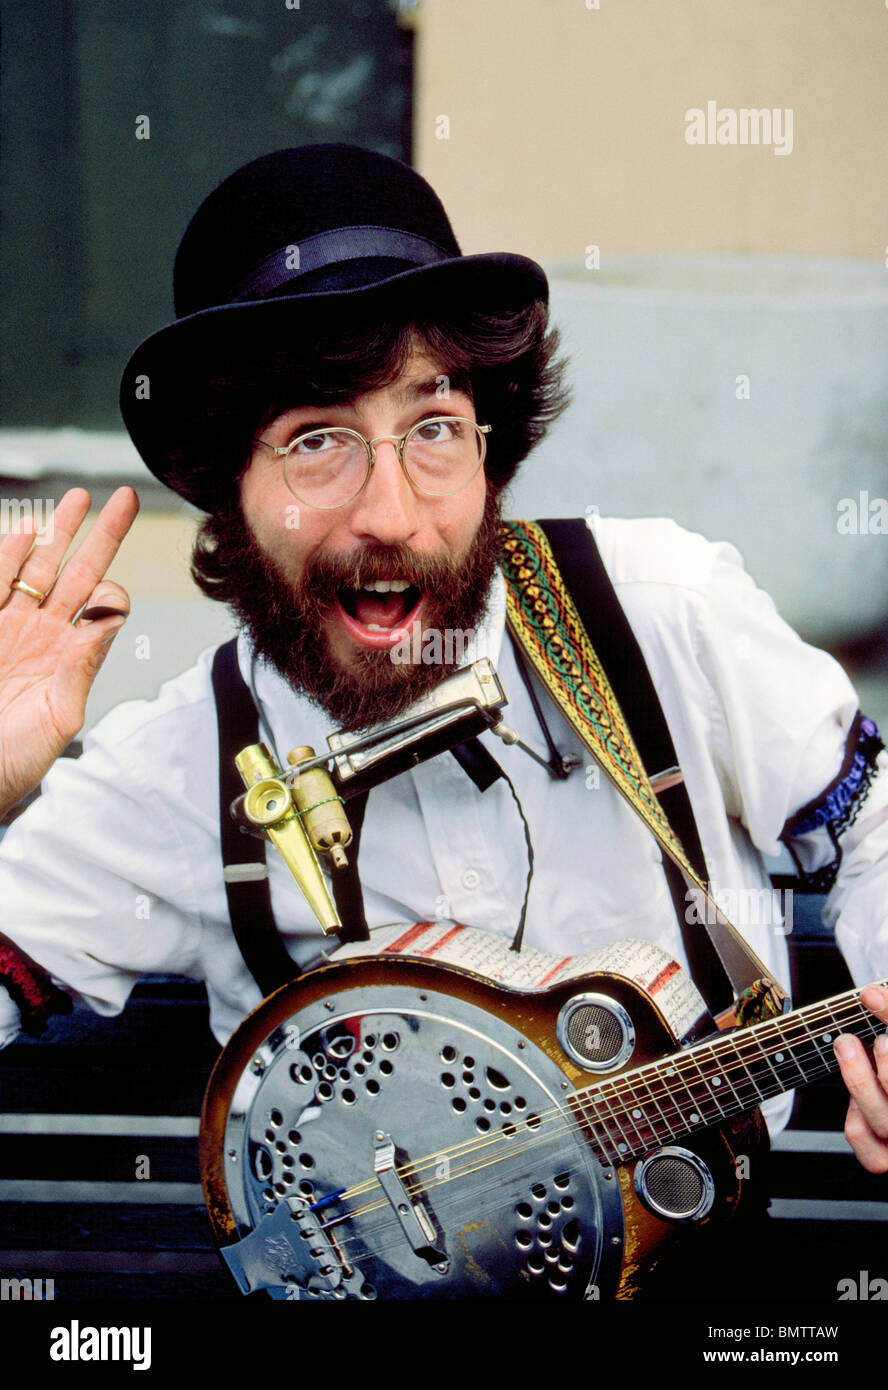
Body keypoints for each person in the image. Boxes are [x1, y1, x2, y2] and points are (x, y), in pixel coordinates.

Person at [0, 145, 886, 1278]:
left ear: (491, 444)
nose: (392, 512)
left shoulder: (661, 613)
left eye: (434, 427)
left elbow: (871, 822)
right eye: (316, 438)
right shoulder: (180, 765)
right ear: (228, 484)